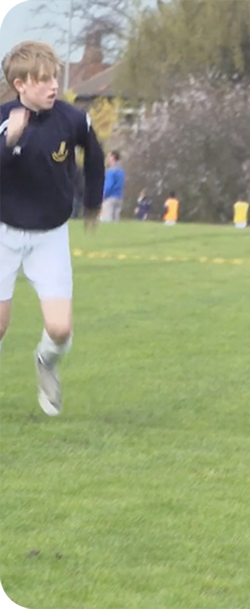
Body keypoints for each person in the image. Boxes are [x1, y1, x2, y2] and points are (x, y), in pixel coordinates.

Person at [0, 41, 104, 415]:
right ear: (20, 85)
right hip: (4, 234)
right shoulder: (2, 119)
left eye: (54, 78)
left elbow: (95, 157)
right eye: (42, 80)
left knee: (60, 330)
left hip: (50, 236)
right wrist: (9, 141)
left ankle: (45, 363)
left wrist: (92, 201)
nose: (53, 86)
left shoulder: (72, 119)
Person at [102, 150, 124, 222]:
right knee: (116, 220)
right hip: (119, 197)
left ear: (113, 158)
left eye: (109, 156)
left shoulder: (111, 171)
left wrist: (103, 195)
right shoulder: (121, 171)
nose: (108, 158)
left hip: (110, 198)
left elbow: (109, 185)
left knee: (108, 219)